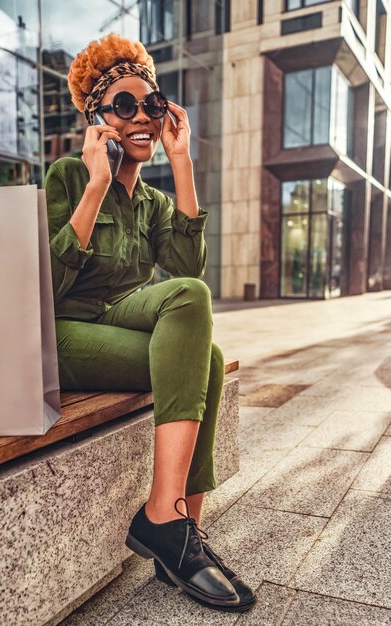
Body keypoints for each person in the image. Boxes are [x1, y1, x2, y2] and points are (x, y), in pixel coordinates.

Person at [44, 31, 255, 612]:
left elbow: (190, 274)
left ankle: (179, 531)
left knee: (203, 346)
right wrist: (94, 187)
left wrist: (182, 160)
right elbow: (47, 287)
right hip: (64, 335)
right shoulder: (66, 176)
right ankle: (165, 519)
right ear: (98, 118)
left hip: (117, 323)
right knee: (198, 348)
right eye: (124, 106)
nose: (141, 116)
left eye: (152, 104)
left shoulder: (155, 204)